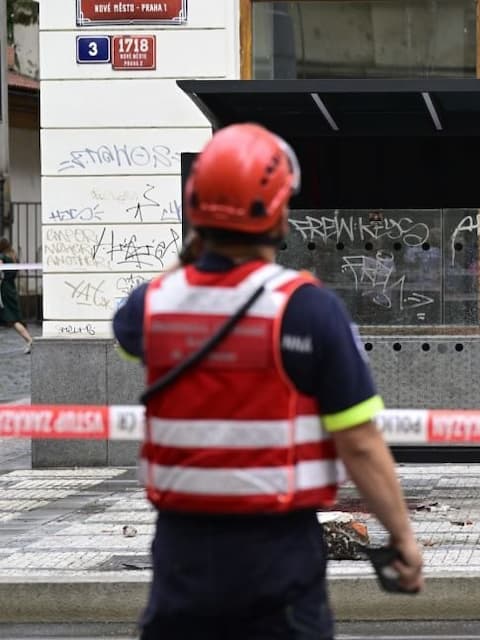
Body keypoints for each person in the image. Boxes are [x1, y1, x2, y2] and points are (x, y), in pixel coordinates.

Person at [112, 123, 423, 640]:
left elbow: (130, 332)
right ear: (279, 214)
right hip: (276, 561)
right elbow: (360, 443)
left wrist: (195, 250)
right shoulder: (306, 310)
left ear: (195, 209)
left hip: (181, 558)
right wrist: (403, 537)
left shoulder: (153, 306)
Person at [0, 238, 33, 354]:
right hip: (11, 287)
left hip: (4, 289)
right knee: (14, 317)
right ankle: (29, 339)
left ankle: (29, 340)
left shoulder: (2, 257)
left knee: (13, 319)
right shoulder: (13, 256)